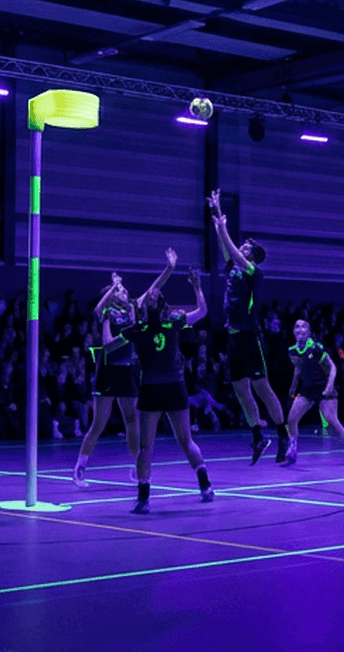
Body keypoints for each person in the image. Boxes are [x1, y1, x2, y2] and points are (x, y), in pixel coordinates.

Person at [109, 263, 214, 514]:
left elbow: (201, 311)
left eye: (153, 295)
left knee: (166, 444)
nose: (151, 294)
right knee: (167, 443)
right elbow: (202, 311)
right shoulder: (163, 324)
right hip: (166, 388)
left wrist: (197, 286)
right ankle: (197, 488)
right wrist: (197, 286)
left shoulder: (146, 327)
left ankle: (195, 487)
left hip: (159, 389)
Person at [73, 261, 171, 488]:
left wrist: (169, 268)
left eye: (124, 289)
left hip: (128, 372)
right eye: (119, 290)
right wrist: (112, 287)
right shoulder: (107, 312)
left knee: (131, 420)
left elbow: (154, 288)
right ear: (111, 296)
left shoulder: (134, 308)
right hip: (107, 372)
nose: (124, 291)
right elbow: (106, 339)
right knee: (98, 423)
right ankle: (80, 467)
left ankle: (138, 467)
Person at [207, 189, 287, 465]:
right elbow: (224, 250)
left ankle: (282, 434)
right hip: (233, 337)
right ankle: (258, 436)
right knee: (241, 389)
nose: (242, 249)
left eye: (247, 249)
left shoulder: (255, 271)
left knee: (262, 387)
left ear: (253, 257)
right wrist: (218, 220)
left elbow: (230, 249)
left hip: (251, 336)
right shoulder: (235, 269)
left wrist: (224, 227)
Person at [282, 319, 344, 466]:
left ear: (308, 332)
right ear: (294, 331)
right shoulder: (292, 351)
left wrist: (329, 386)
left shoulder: (316, 349)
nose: (300, 328)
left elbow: (333, 367)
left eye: (304, 326)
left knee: (331, 420)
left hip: (324, 387)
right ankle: (292, 450)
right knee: (291, 419)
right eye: (297, 326)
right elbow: (298, 368)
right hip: (308, 390)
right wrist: (293, 386)